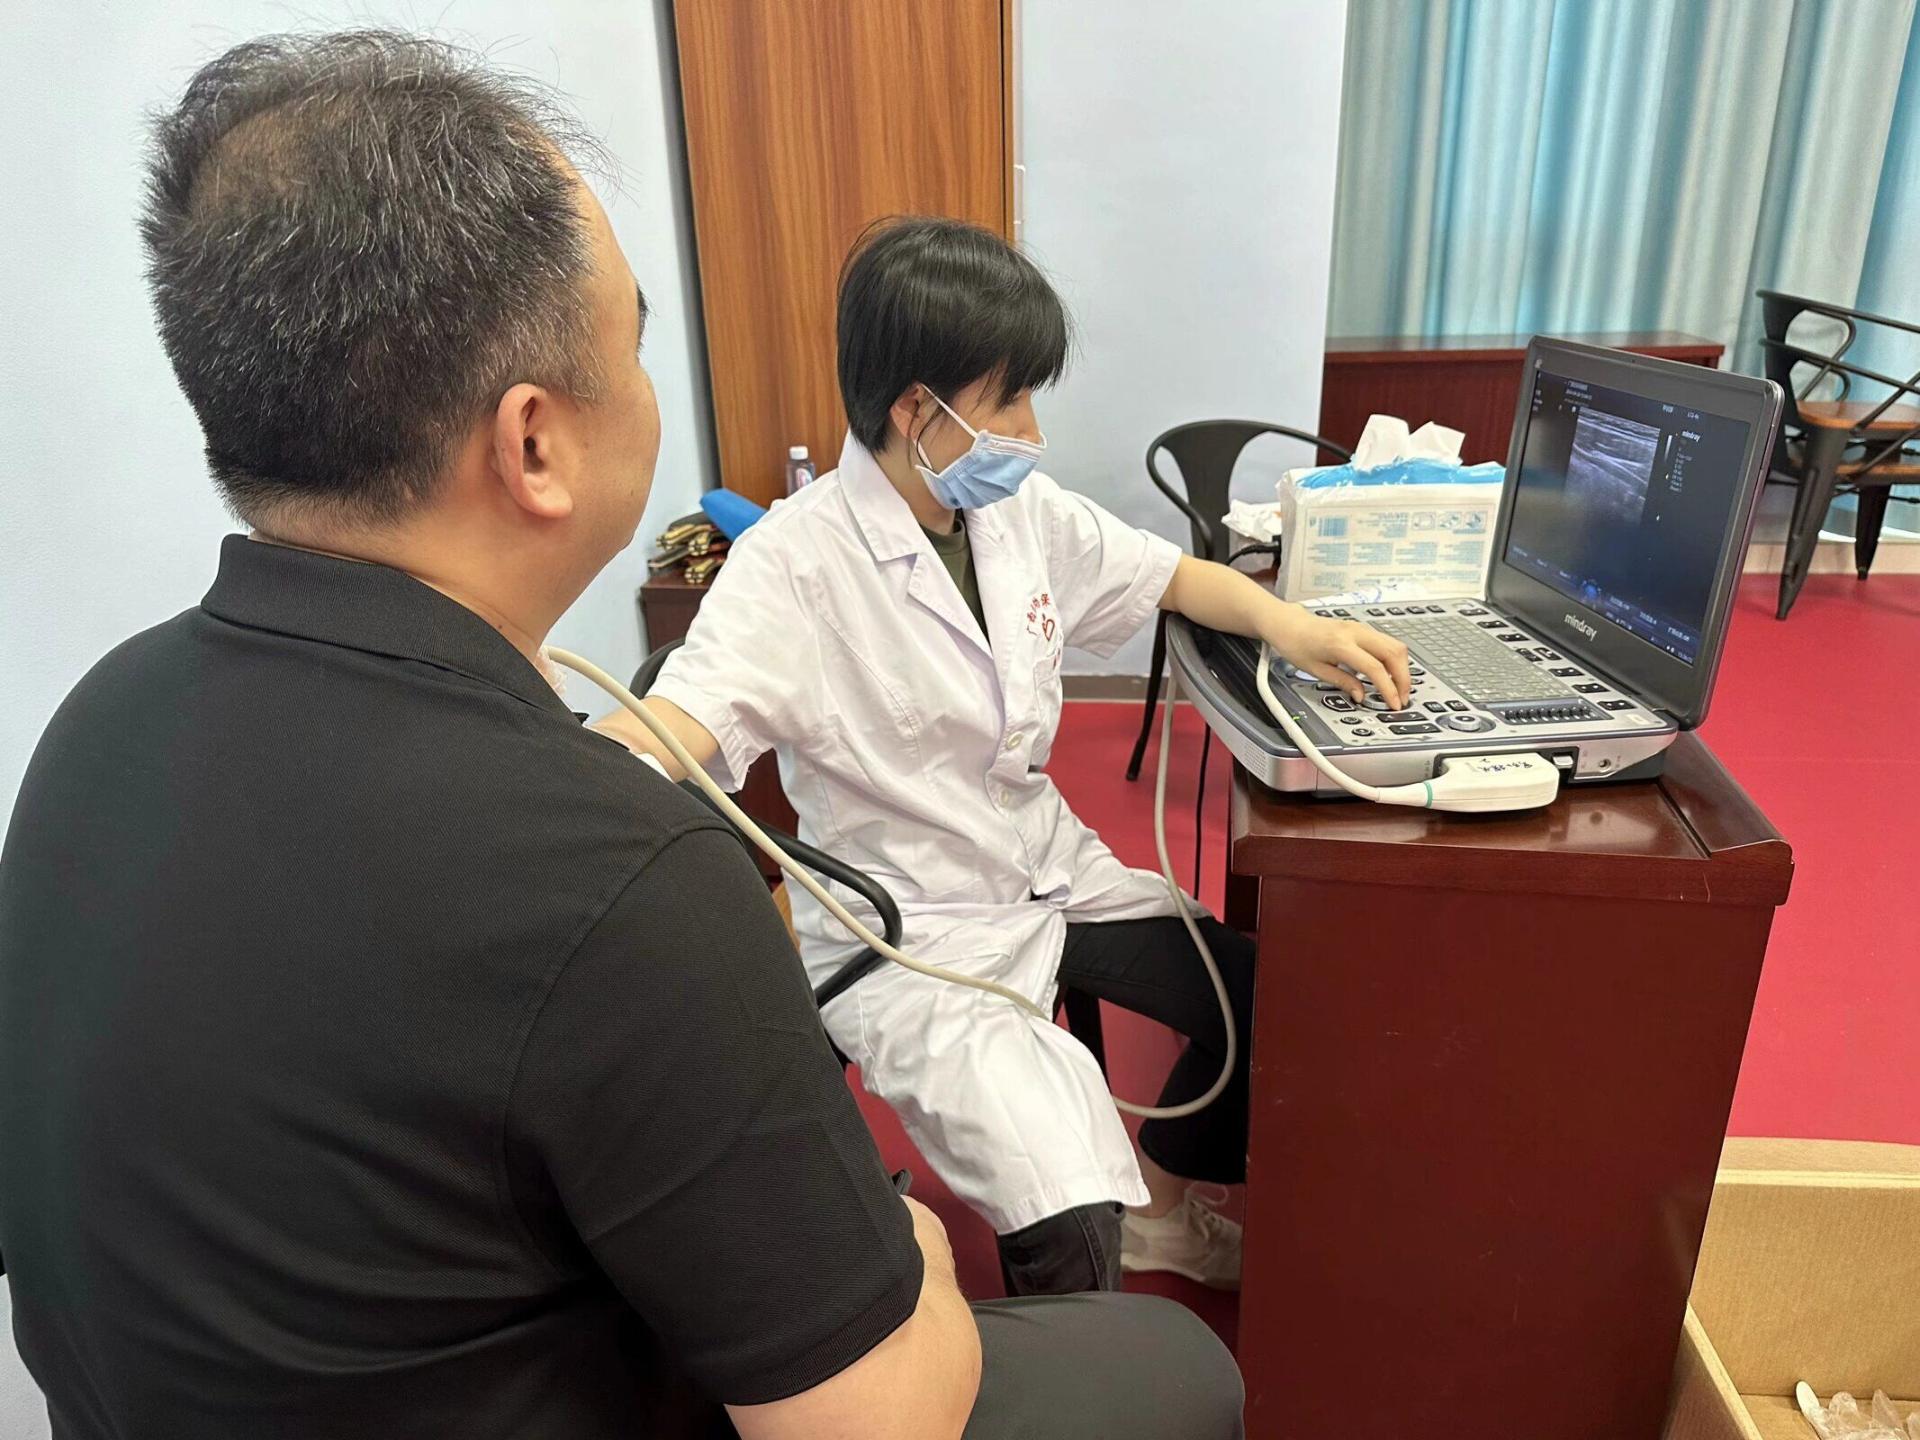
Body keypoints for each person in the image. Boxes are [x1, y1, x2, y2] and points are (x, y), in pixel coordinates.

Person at [0, 33, 1244, 1440]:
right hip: (914, 950)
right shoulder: (625, 872)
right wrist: (917, 1253)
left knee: (1210, 986)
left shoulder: (92, 729)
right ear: (534, 444)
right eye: (637, 345)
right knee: (1173, 1368)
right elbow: (869, 1418)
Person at [599, 217, 1413, 1296]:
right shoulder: (791, 566)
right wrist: (564, 774)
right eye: (1011, 400)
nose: (1032, 432)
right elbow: (681, 721)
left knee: (1262, 999)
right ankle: (1063, 1346)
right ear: (915, 410)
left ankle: (1166, 1212)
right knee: (1066, 1218)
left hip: (1044, 869)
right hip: (914, 928)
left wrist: (1293, 627)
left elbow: (1170, 575)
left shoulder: (1015, 513)